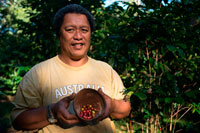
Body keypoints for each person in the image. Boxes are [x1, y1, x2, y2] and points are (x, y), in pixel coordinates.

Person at [11, 4, 131, 133]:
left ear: (90, 34)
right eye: (70, 29)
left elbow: (125, 110)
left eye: (84, 30)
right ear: (58, 35)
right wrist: (52, 112)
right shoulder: (38, 73)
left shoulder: (106, 70)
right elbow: (18, 120)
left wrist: (111, 105)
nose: (78, 36)